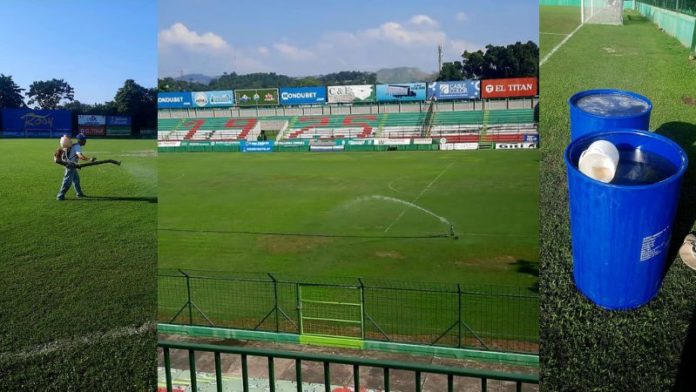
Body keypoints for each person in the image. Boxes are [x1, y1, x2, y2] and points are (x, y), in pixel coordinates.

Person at [56, 133, 96, 201]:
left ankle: (79, 193)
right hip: (70, 166)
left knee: (76, 180)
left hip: (72, 165)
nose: (85, 141)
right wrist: (89, 159)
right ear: (80, 140)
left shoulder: (74, 145)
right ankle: (60, 195)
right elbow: (79, 155)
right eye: (84, 140)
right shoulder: (77, 146)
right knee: (67, 181)